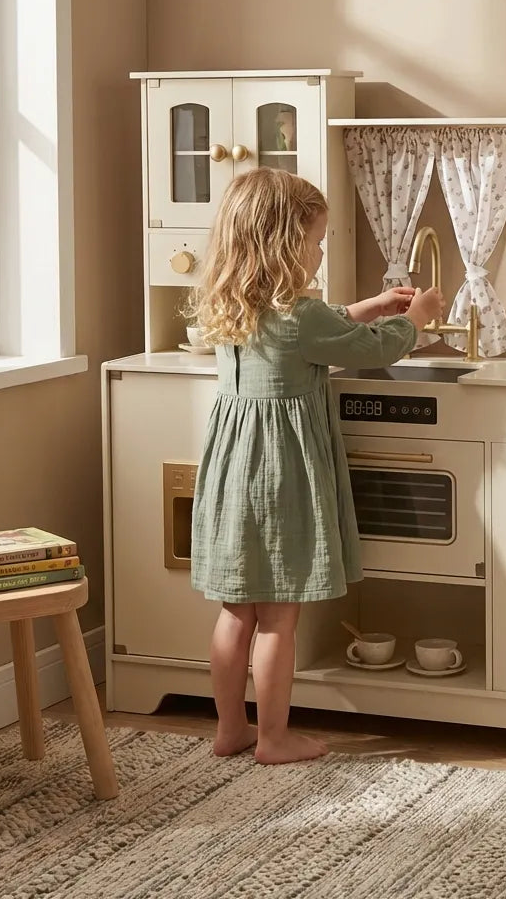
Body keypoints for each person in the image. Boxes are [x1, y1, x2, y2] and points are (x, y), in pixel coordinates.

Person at [187, 167, 443, 764]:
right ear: (284, 245)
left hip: (231, 473)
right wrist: (416, 318)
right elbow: (371, 346)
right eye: (315, 241)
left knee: (237, 612)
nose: (321, 252)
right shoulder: (302, 316)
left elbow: (319, 328)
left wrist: (370, 305)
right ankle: (274, 737)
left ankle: (230, 729)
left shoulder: (231, 306)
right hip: (281, 475)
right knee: (279, 616)